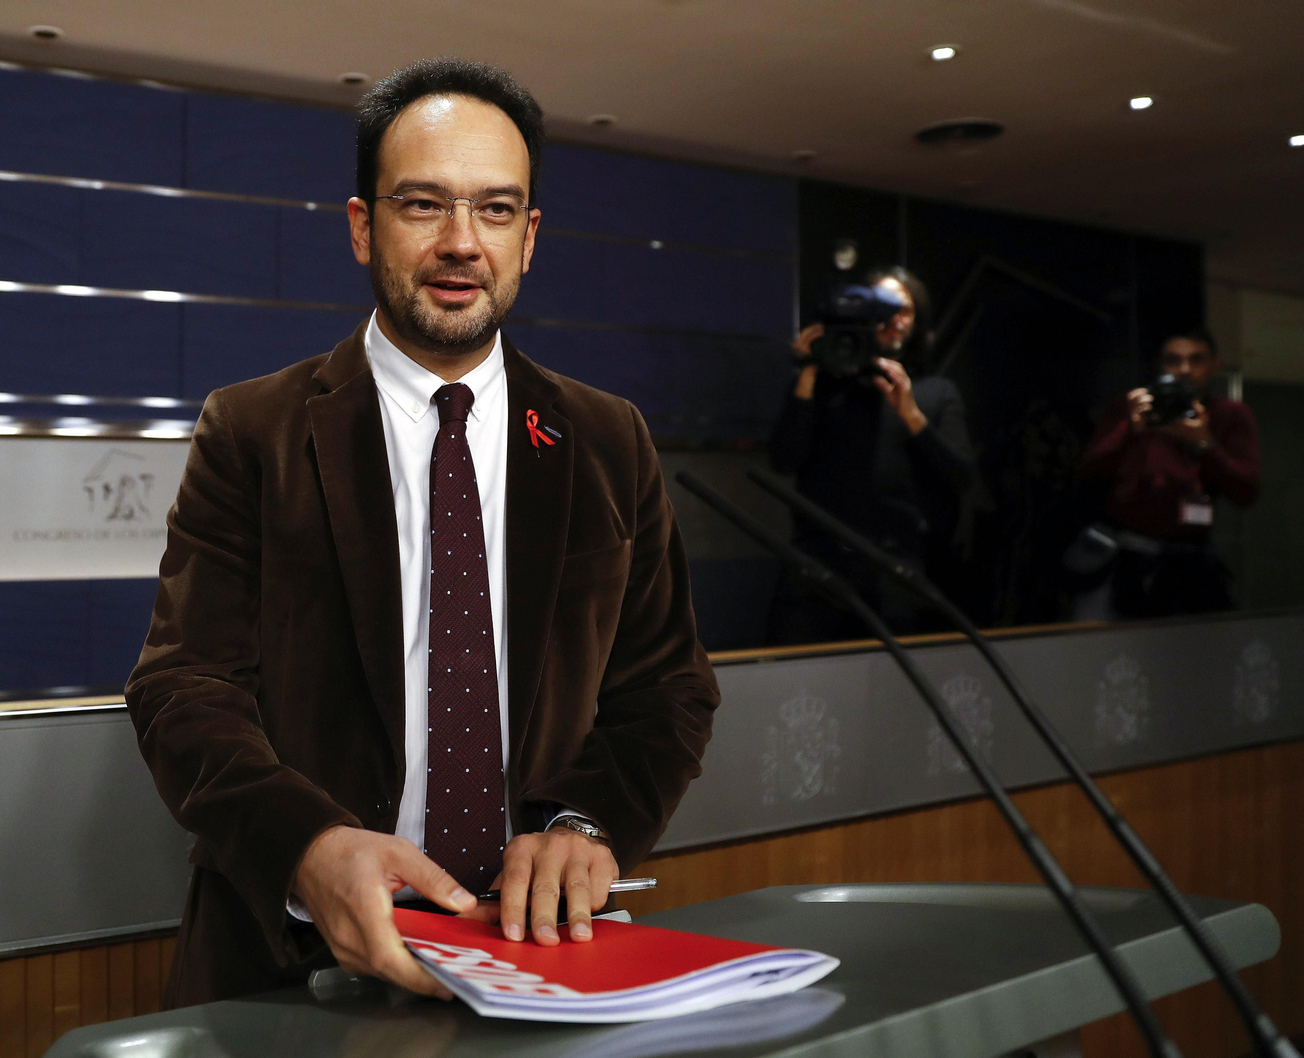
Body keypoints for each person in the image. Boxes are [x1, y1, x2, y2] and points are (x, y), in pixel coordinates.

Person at [125, 59, 720, 1008]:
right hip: (290, 964)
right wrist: (307, 848)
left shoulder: (610, 438)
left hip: (539, 958)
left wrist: (587, 825)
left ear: (528, 238)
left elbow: (667, 690)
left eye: (493, 211)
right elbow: (181, 687)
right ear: (364, 227)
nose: (460, 243)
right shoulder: (253, 429)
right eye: (422, 205)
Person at [766, 268, 976, 644]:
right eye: (882, 308)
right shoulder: (822, 384)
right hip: (818, 562)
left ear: (917, 320)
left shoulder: (935, 391)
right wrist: (808, 372)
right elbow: (783, 460)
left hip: (896, 569)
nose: (894, 319)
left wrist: (911, 414)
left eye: (905, 310)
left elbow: (962, 478)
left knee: (893, 692)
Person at [1075, 330, 1259, 618]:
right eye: (1174, 361)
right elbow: (1087, 470)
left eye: (1195, 360)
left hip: (1189, 559)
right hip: (1122, 553)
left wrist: (1203, 443)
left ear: (1214, 364)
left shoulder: (1229, 415)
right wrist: (1130, 430)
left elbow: (1246, 491)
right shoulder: (1132, 407)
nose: (1184, 369)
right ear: (1160, 366)